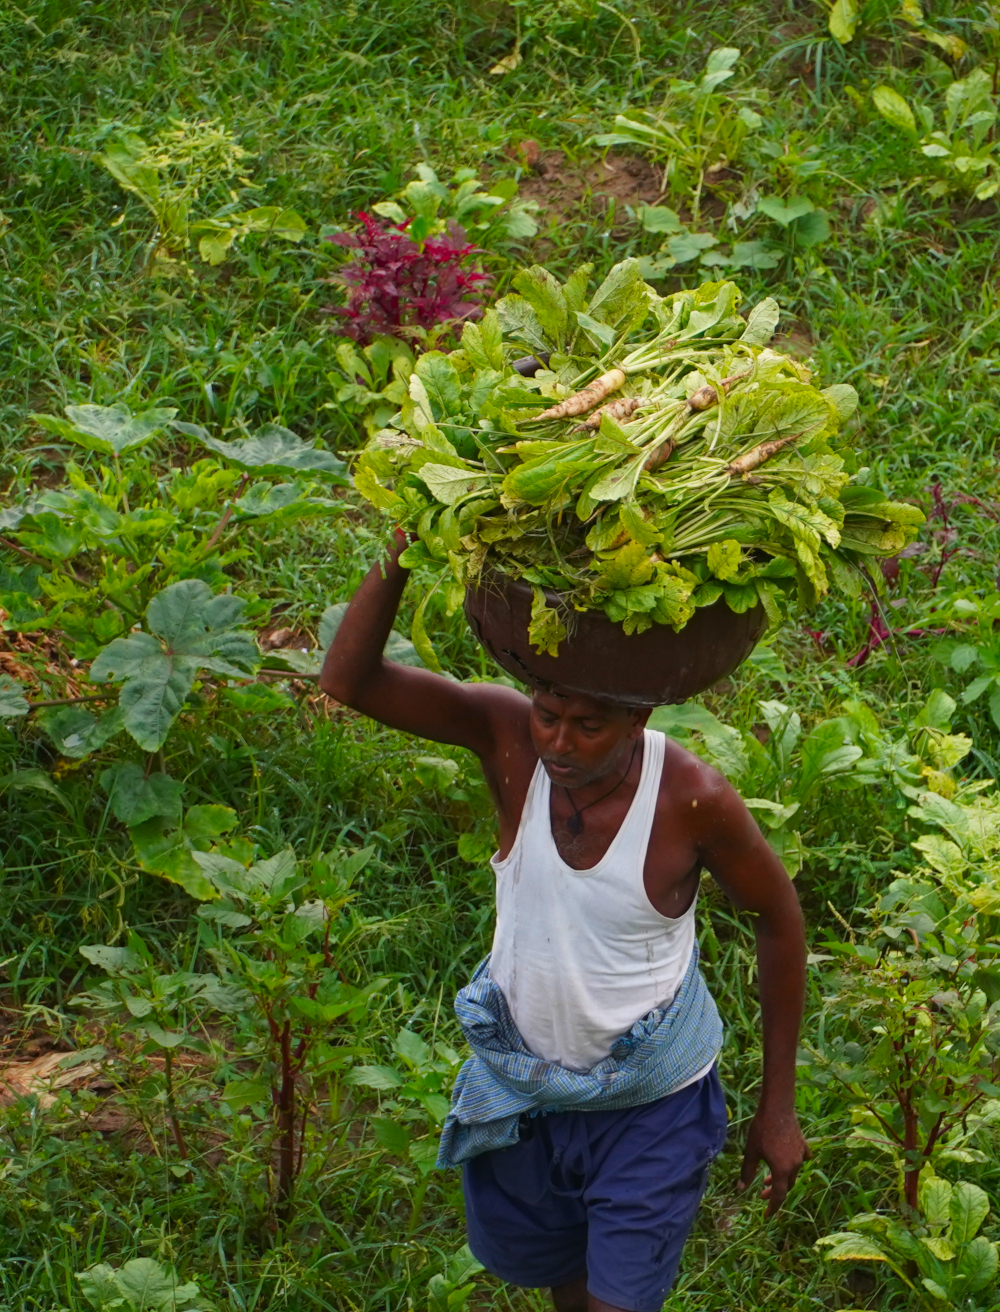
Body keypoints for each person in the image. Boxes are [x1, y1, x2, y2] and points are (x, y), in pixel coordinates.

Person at [320, 531, 809, 1312]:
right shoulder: (509, 742)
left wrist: (776, 1107)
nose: (559, 743)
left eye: (590, 727)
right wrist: (402, 544)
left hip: (653, 1103)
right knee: (567, 1286)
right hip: (530, 1089)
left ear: (639, 714)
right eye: (549, 715)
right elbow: (350, 681)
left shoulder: (689, 800)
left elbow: (779, 920)